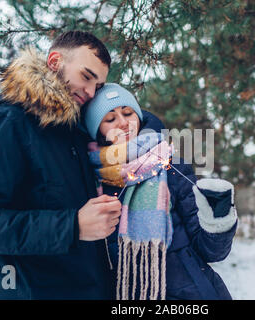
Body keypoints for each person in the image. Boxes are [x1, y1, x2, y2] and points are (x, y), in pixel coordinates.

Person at [0, 30, 164, 299]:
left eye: (97, 86)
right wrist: (72, 226)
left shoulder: (76, 133)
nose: (90, 92)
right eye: (86, 77)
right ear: (54, 62)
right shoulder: (9, 123)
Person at [84, 83, 238, 300]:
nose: (123, 122)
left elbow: (211, 251)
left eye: (128, 113)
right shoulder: (89, 180)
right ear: (96, 130)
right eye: (110, 119)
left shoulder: (171, 166)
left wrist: (218, 217)